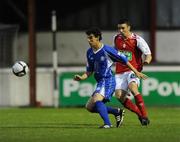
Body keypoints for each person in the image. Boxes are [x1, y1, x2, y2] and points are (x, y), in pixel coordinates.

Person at [74, 27, 148, 128]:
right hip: (100, 82)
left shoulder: (107, 50)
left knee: (97, 100)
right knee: (90, 107)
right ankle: (117, 112)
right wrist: (82, 78)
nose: (88, 40)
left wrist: (136, 72)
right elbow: (89, 71)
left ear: (98, 37)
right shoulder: (89, 52)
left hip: (108, 81)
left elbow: (125, 60)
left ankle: (107, 124)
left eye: (91, 38)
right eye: (88, 38)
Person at [113, 19, 152, 126]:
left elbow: (148, 54)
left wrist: (146, 62)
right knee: (119, 96)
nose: (120, 30)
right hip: (119, 72)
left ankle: (145, 116)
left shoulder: (137, 40)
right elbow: (115, 53)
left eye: (123, 28)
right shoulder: (116, 38)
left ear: (129, 28)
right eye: (119, 28)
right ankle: (140, 115)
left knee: (133, 88)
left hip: (133, 70)